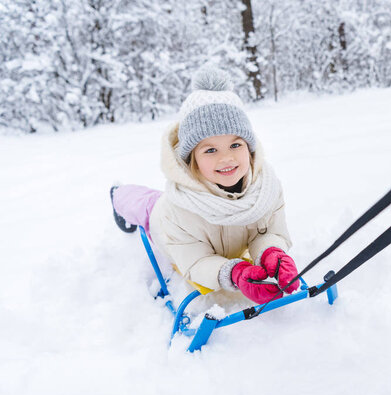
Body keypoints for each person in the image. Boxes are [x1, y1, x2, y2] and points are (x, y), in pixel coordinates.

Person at [110, 67, 299, 304]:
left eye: (235, 145)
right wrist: (233, 273)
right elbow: (195, 262)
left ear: (249, 148)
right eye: (210, 150)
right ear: (192, 160)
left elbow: (270, 232)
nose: (226, 158)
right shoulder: (176, 208)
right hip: (162, 221)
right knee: (144, 203)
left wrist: (272, 252)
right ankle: (118, 194)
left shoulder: (266, 190)